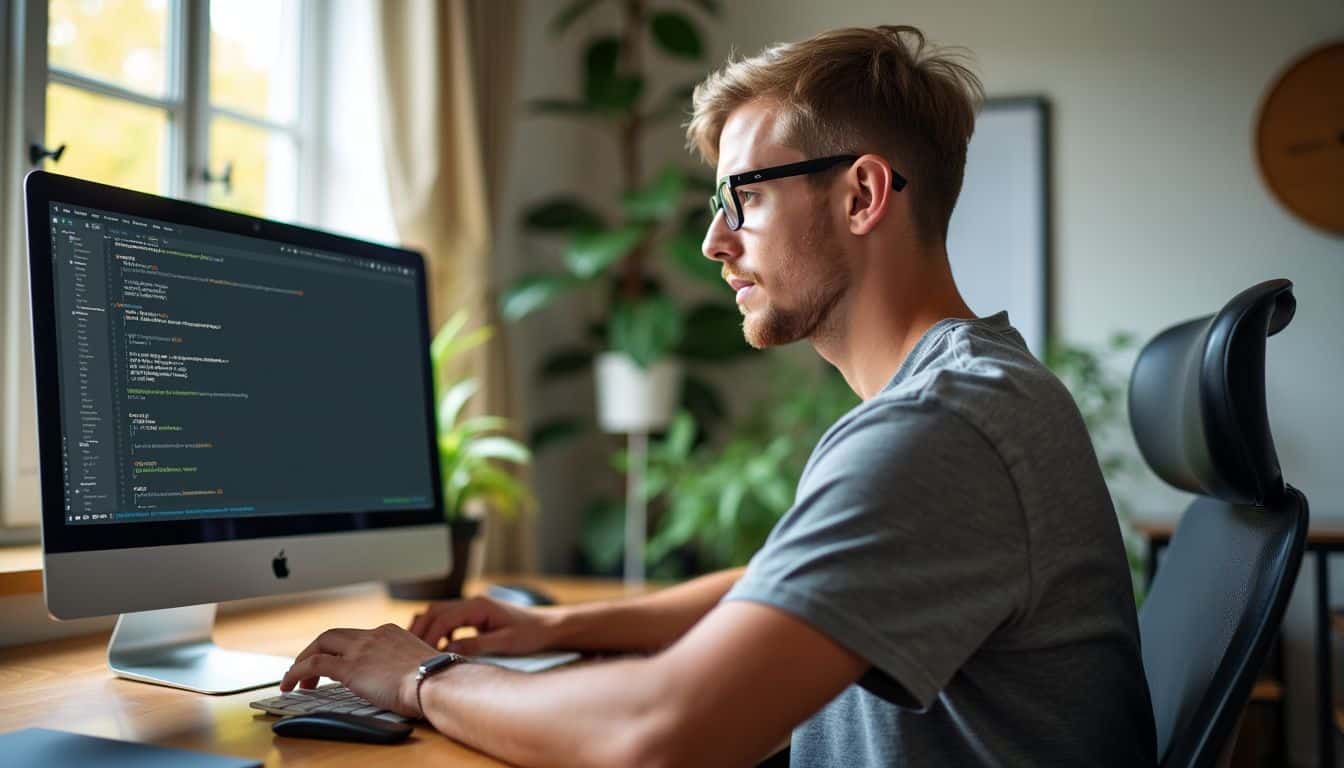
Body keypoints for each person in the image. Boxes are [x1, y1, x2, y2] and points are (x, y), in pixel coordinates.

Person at [281, 25, 1157, 767]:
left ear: (862, 194)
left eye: (743, 196)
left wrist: (420, 679)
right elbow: (793, 585)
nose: (713, 241)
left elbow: (661, 732)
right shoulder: (963, 387)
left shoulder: (942, 427)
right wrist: (552, 632)